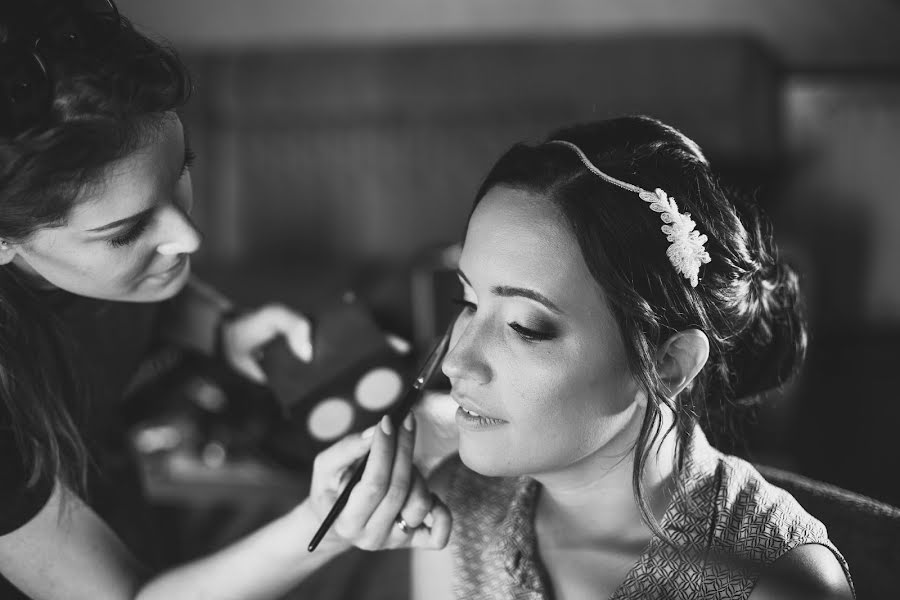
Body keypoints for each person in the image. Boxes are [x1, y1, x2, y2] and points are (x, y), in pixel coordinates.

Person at [0, 2, 449, 598]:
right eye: (126, 232)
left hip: (118, 492)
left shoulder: (100, 267)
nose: (188, 240)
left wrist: (222, 329)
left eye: (179, 171)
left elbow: (150, 299)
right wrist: (325, 525)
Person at [410, 116, 855, 599]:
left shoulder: (773, 583)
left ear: (669, 364)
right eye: (468, 303)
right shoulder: (451, 508)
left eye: (526, 327)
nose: (456, 363)